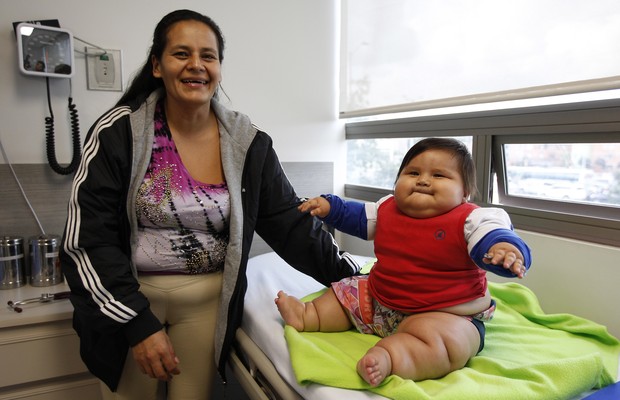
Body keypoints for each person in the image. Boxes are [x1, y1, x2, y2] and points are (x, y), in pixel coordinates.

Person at [59, 9, 360, 400]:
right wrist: (137, 324)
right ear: (156, 65)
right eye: (181, 54)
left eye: (208, 56)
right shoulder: (120, 132)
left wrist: (356, 282)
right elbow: (87, 239)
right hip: (131, 298)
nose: (196, 65)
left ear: (219, 68)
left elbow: (290, 224)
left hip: (206, 306)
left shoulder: (247, 144)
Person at [276, 137, 532, 387]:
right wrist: (331, 207)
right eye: (413, 172)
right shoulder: (386, 208)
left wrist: (503, 251)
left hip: (444, 313)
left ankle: (389, 357)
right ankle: (307, 315)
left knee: (447, 343)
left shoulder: (472, 220)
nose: (423, 180)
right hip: (378, 301)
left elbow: (492, 235)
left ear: (464, 192)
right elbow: (355, 217)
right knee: (345, 292)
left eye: (439, 175)